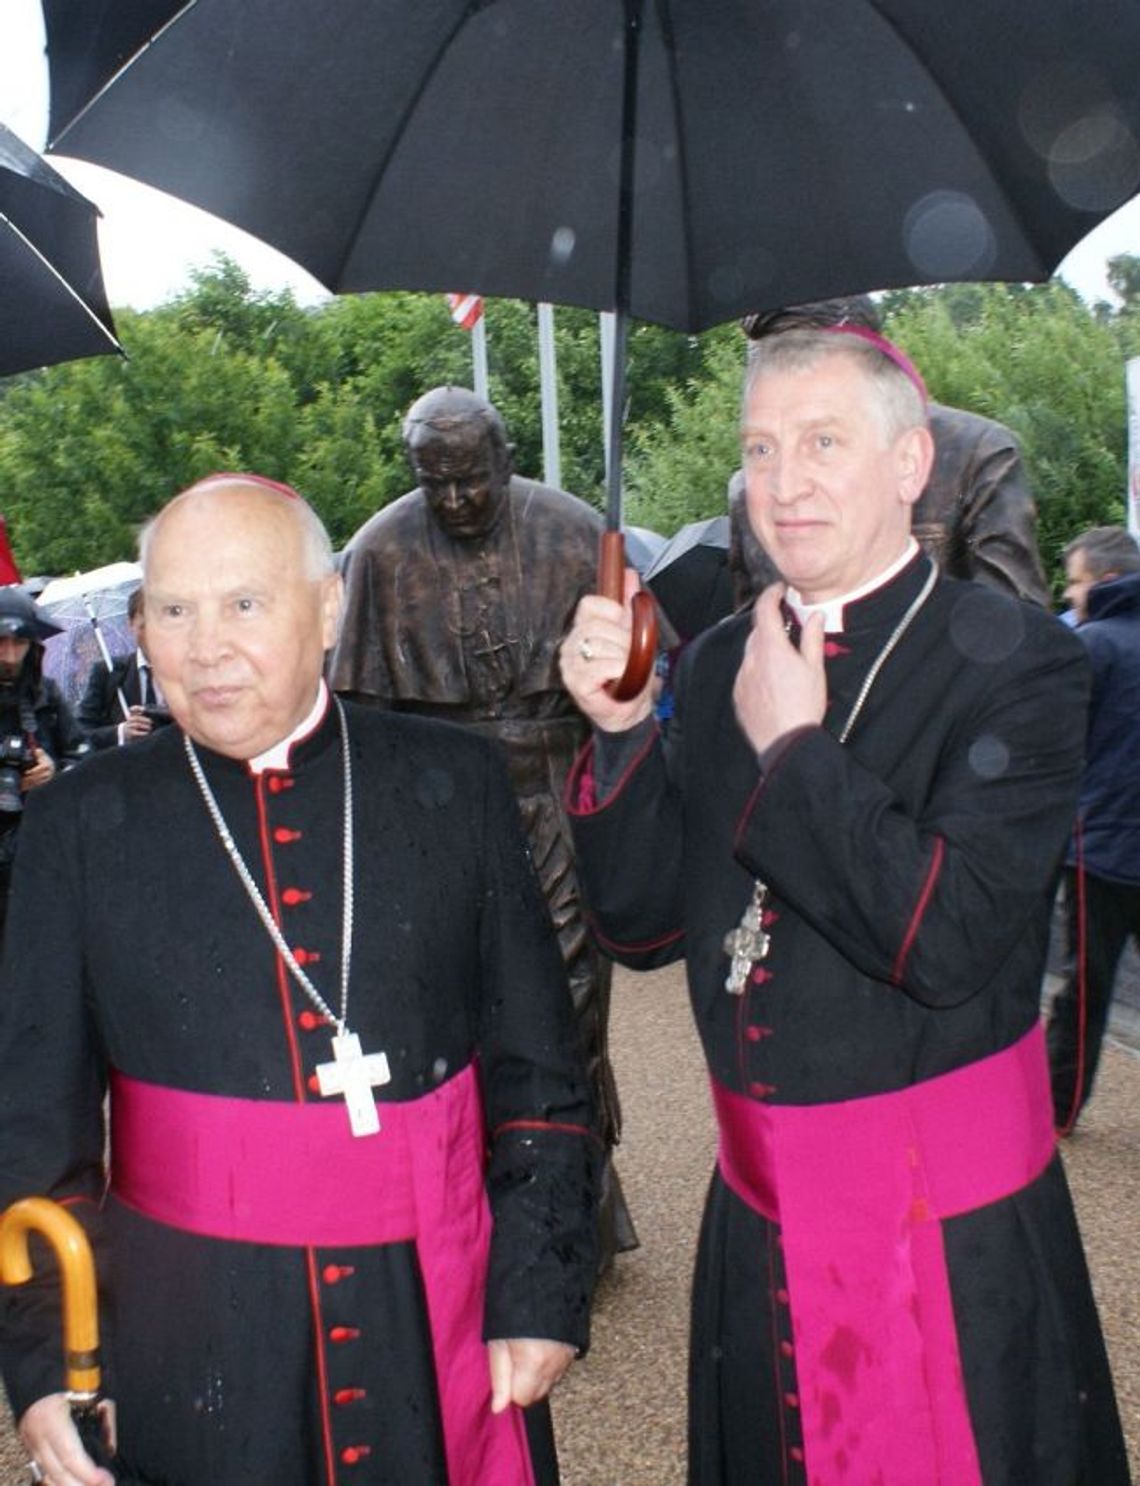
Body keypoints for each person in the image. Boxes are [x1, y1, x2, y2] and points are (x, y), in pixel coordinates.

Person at [558, 328, 1129, 1483]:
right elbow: (647, 925)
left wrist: (797, 749)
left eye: (824, 442)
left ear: (911, 463)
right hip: (760, 1217)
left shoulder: (1018, 661)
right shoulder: (722, 660)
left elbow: (947, 939)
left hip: (945, 1237)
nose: (784, 482)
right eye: (761, 448)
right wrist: (619, 738)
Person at [0, 474, 599, 1486]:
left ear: (328, 606)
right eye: (174, 610)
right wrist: (48, 1357)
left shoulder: (450, 783)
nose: (204, 646)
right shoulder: (80, 826)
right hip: (195, 1332)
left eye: (243, 603)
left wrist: (538, 1289)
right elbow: (30, 1121)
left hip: (429, 1307)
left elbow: (540, 1068)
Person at [329, 385, 636, 1268]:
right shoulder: (383, 551)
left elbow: (638, 674)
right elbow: (361, 711)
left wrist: (618, 654)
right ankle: (486, 1202)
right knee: (462, 1006)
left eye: (472, 481)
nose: (457, 502)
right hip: (440, 801)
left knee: (570, 1000)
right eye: (437, 483)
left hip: (553, 785)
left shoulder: (575, 530)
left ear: (504, 464)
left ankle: (575, 1206)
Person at [727, 295, 1051, 611]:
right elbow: (751, 630)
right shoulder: (747, 489)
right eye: (769, 364)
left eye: (805, 360)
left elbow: (1016, 625)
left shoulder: (977, 451)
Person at [1047, 525, 1140, 1133]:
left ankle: (1058, 1108)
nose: (1072, 593)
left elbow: (1056, 745)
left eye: (1076, 581)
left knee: (1086, 989)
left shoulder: (1091, 646)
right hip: (1112, 834)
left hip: (1102, 844)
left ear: (1105, 582)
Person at [0, 586, 86, 945]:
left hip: (40, 847)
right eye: (1, 642)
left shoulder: (47, 696)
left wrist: (54, 773)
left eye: (18, 644)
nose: (9, 654)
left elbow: (83, 757)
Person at [76, 585, 170, 748]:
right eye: (144, 626)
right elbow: (80, 733)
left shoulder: (190, 669)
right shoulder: (108, 672)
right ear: (130, 624)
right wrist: (120, 732)